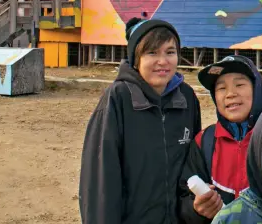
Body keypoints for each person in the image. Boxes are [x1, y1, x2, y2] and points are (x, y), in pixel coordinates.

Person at [79, 17, 201, 224]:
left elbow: (192, 170)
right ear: (136, 59)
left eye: (170, 52)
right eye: (152, 52)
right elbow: (100, 182)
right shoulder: (117, 99)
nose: (163, 61)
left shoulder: (187, 98)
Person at [177, 55, 262, 223]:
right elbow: (184, 198)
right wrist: (196, 210)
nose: (230, 94)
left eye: (240, 85)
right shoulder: (204, 141)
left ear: (257, 89)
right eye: (221, 88)